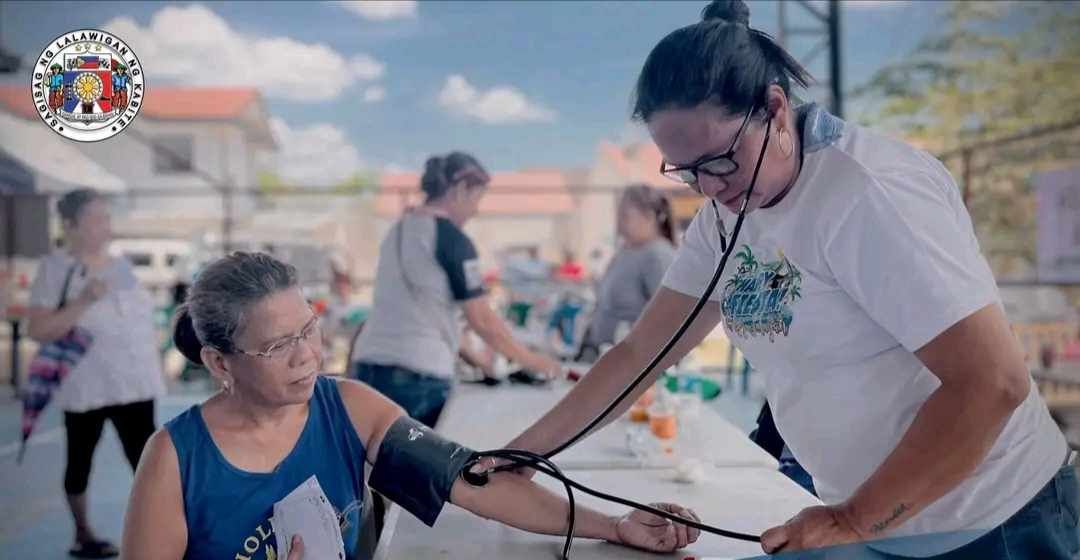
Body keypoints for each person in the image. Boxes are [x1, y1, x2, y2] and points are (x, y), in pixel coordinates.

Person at [495, 1, 1074, 557]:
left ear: (774, 109)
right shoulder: (723, 214)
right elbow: (640, 352)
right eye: (687, 173)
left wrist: (851, 520)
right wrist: (524, 455)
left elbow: (992, 382)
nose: (710, 188)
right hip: (884, 519)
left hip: (994, 521)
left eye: (720, 161)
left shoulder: (869, 193)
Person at [120, 252, 702, 559]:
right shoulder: (175, 459)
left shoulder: (347, 409)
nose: (306, 356)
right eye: (277, 346)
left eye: (309, 329)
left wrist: (615, 525)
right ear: (220, 363)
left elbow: (475, 483)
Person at [351, 152, 561, 427]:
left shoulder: (397, 231)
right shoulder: (451, 239)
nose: (476, 210)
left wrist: (480, 362)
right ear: (461, 189)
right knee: (417, 456)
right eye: (476, 198)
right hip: (417, 380)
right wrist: (534, 361)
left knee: (373, 455)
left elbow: (427, 313)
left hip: (367, 369)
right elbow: (482, 319)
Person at [27, 189, 165, 559]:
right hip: (85, 386)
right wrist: (83, 300)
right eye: (96, 217)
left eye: (106, 216)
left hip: (134, 384)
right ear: (70, 225)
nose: (105, 224)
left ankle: (161, 536)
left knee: (150, 463)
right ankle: (83, 535)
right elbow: (38, 329)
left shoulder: (121, 266)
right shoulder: (55, 268)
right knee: (80, 461)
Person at [578, 184, 677, 361]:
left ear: (649, 217)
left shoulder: (657, 255)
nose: (619, 224)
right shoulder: (626, 251)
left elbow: (667, 317)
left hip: (632, 360)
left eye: (625, 216)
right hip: (602, 354)